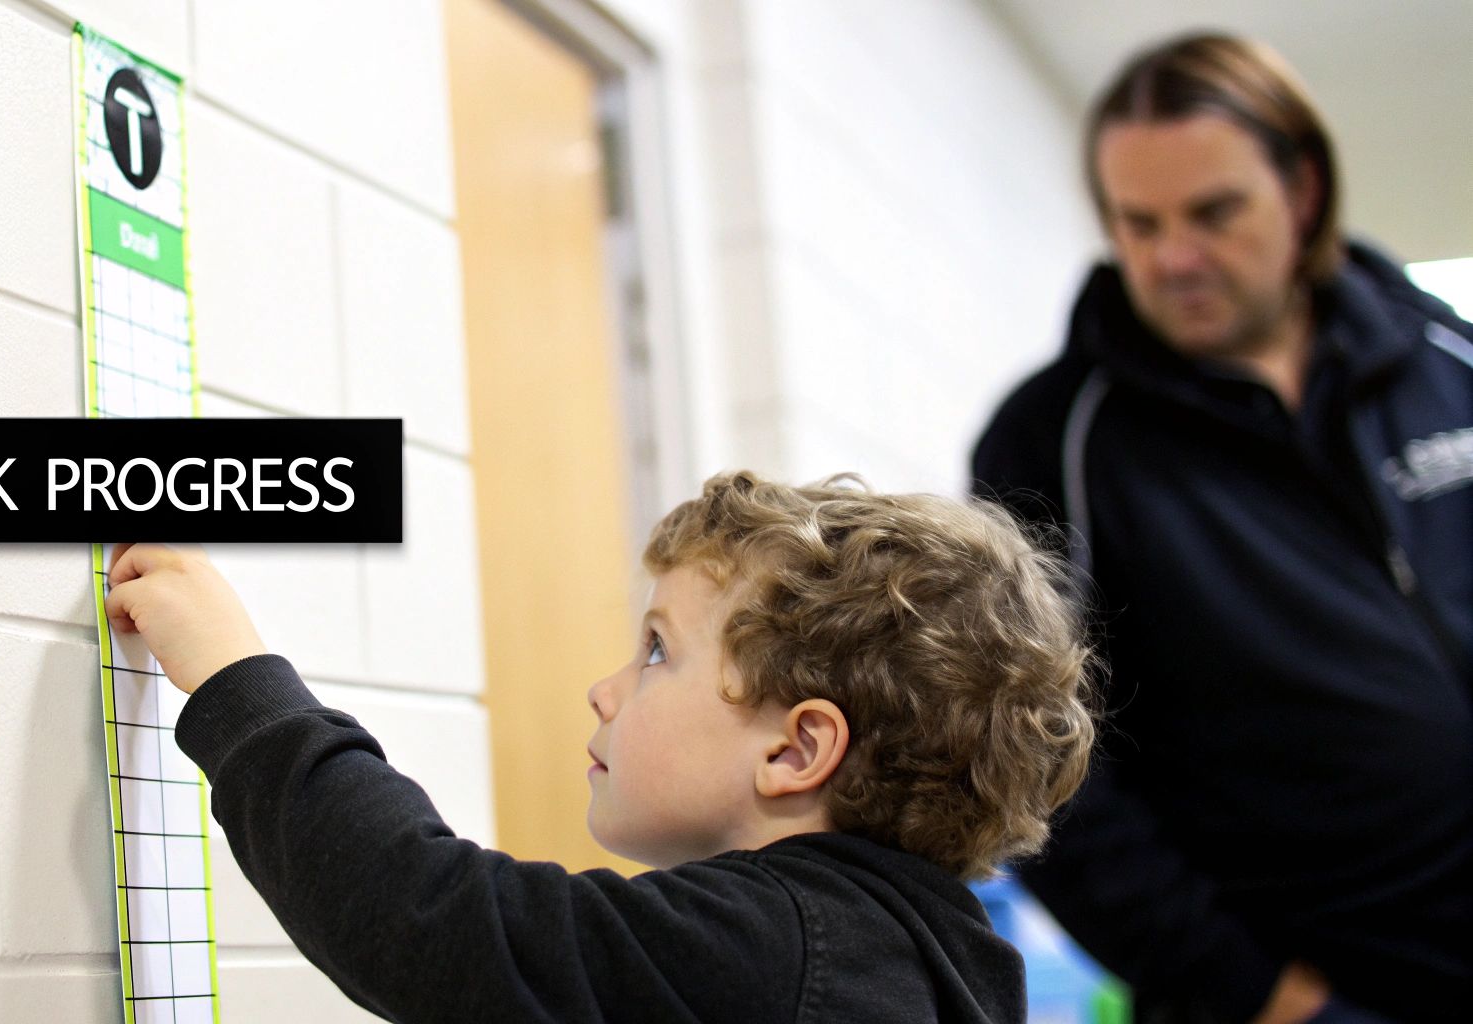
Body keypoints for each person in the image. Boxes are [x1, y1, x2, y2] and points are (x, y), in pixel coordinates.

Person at [102, 472, 1096, 1022]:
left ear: (797, 752)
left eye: (656, 650)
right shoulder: (937, 963)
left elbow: (426, 919)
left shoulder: (775, 949)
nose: (604, 688)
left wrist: (236, 680)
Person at [971, 32, 1473, 1024]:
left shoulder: (1445, 355)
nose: (1172, 257)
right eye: (1136, 222)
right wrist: (1266, 998)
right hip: (1312, 995)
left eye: (1211, 213)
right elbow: (1037, 761)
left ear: (1300, 189)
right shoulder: (1051, 441)